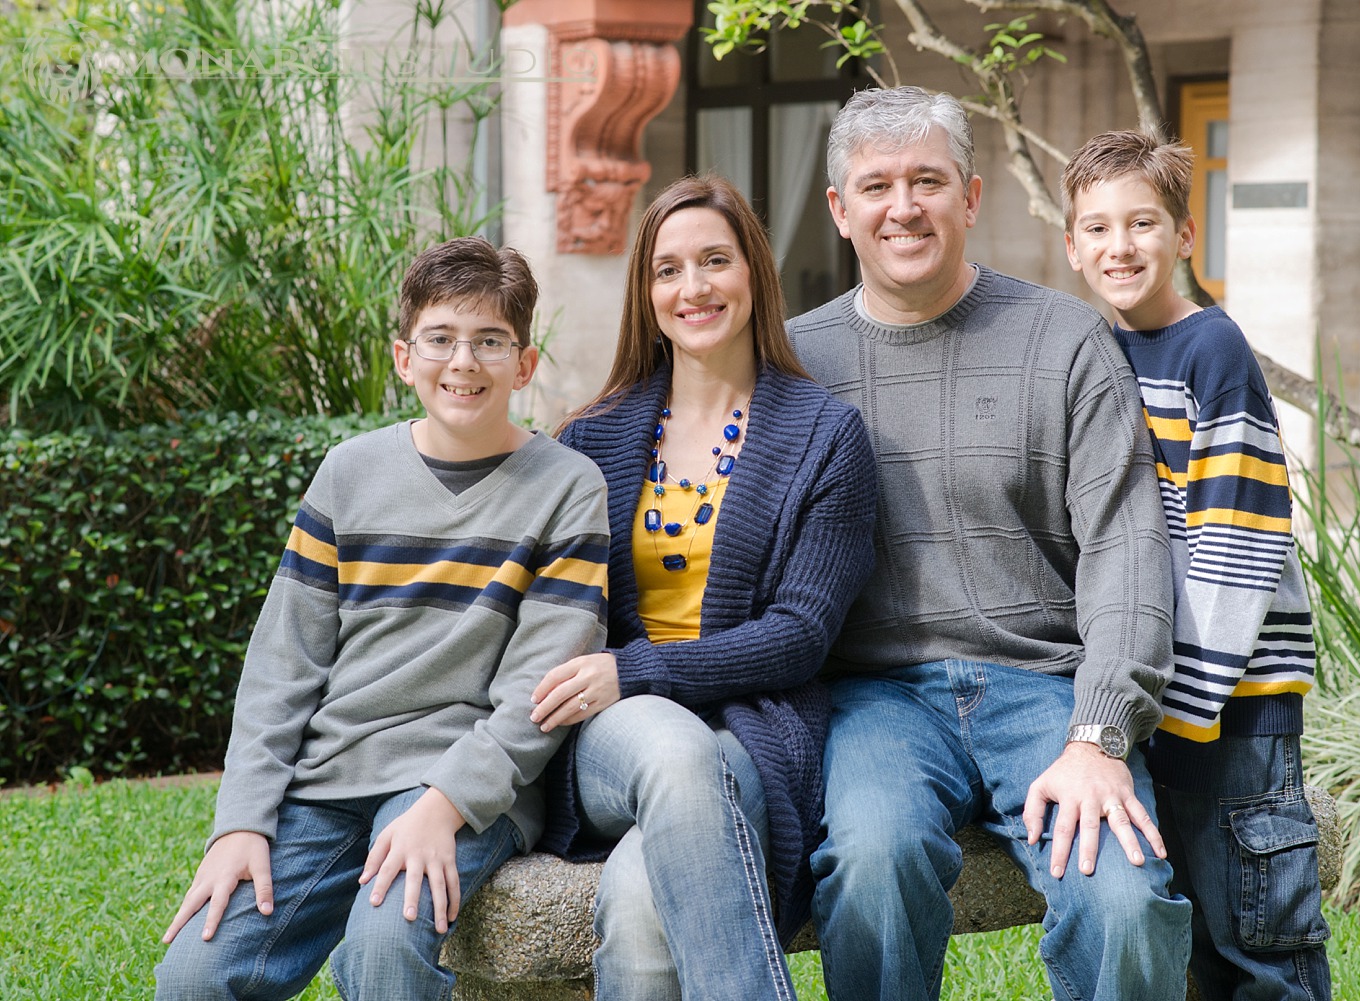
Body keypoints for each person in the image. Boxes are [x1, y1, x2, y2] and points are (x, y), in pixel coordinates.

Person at [787, 86, 1193, 1001]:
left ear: (970, 198)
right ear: (839, 212)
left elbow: (1126, 552)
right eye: (878, 185)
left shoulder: (1065, 339)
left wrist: (1099, 735)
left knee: (1124, 899)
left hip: (1049, 689)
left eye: (928, 180)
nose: (904, 207)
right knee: (871, 859)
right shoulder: (793, 364)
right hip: (875, 700)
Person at [154, 238, 610, 1001]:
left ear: (524, 365)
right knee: (194, 973)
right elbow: (282, 665)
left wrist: (444, 804)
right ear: (405, 356)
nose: (463, 361)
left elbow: (540, 690)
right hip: (327, 781)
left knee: (383, 945)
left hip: (458, 779)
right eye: (441, 339)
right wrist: (240, 821)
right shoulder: (349, 471)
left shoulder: (566, 488)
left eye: (490, 341)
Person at [529, 174, 877, 1001]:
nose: (693, 288)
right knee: (675, 752)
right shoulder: (591, 436)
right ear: (645, 293)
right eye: (668, 269)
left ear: (753, 272)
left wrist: (639, 668)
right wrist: (629, 684)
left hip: (757, 729)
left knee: (642, 899)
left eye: (715, 261)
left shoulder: (825, 435)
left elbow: (800, 634)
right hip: (610, 736)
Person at [1062, 128, 1331, 1000]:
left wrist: (1182, 702)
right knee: (1192, 951)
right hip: (1161, 705)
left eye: (1142, 224)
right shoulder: (1097, 351)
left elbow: (1239, 545)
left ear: (1184, 236)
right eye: (1097, 228)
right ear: (1070, 245)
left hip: (1235, 702)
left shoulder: (1209, 351)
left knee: (1260, 940)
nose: (1120, 246)